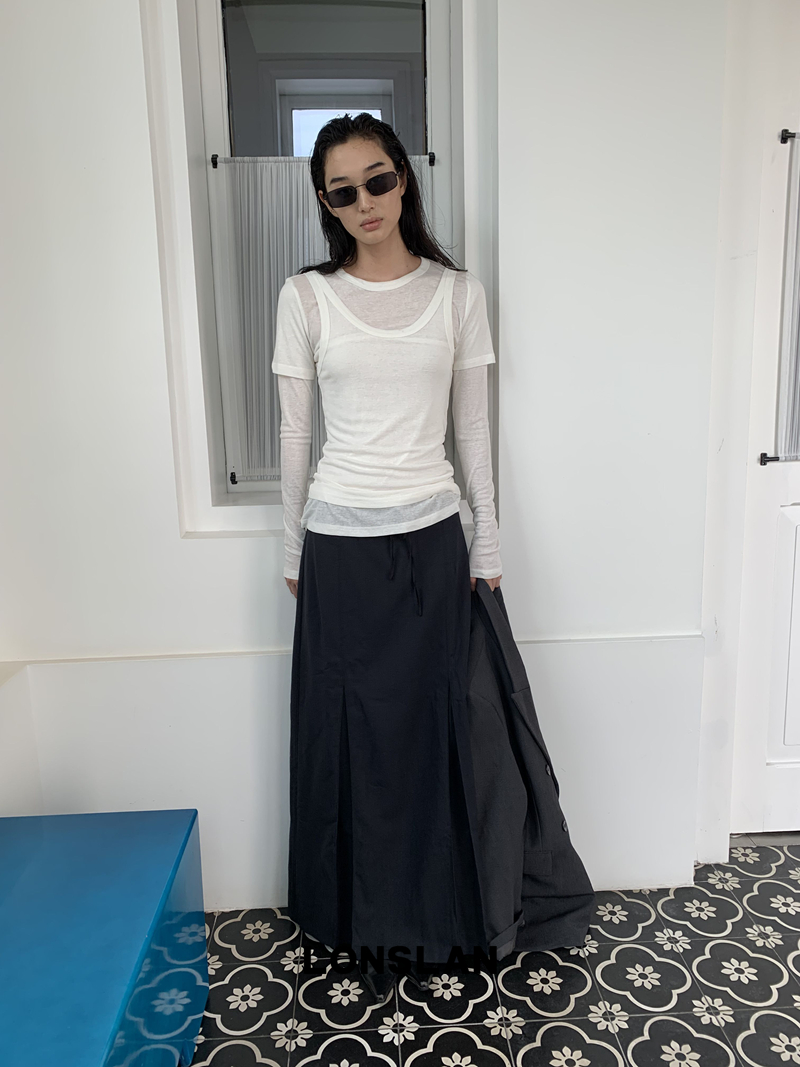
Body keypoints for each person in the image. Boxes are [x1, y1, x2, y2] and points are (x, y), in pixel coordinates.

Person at [271, 112, 502, 1002]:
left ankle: (435, 913)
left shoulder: (459, 294)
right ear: (326, 204)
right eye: (342, 191)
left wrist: (488, 537)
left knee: (431, 736)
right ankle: (350, 919)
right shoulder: (305, 298)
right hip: (338, 547)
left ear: (403, 177)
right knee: (345, 739)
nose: (364, 201)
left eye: (377, 179)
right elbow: (296, 436)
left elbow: (472, 430)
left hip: (433, 541)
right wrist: (293, 547)